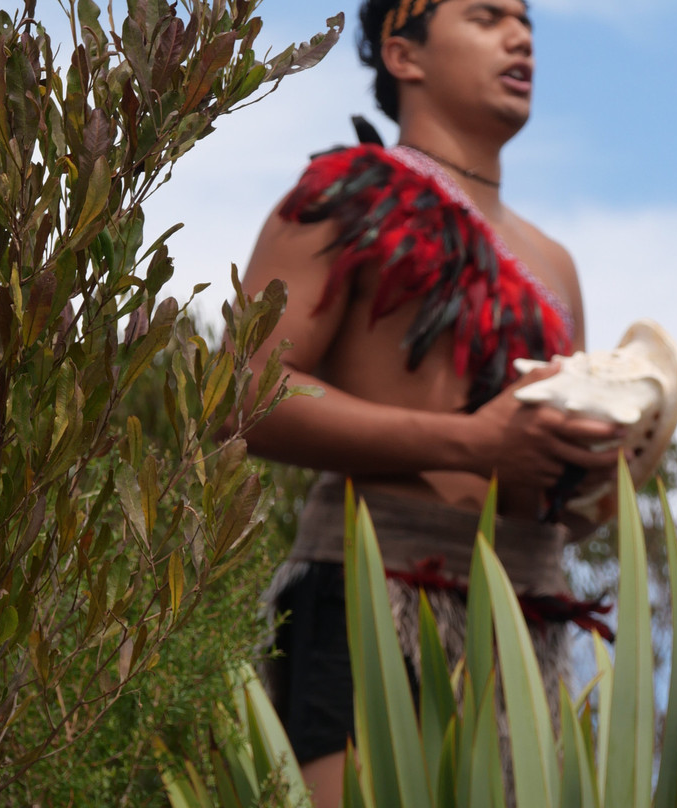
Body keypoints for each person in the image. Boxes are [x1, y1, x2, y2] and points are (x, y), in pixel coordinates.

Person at [235, 0, 623, 804]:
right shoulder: (342, 197)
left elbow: (554, 505)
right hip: (364, 605)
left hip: (520, 628)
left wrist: (593, 469)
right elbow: (248, 393)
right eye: (485, 17)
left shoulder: (556, 264)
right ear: (401, 52)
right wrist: (468, 442)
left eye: (526, 24)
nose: (519, 37)